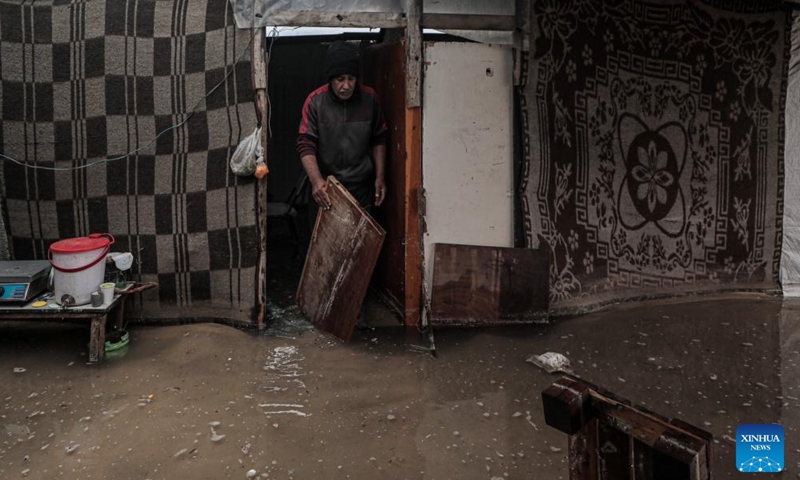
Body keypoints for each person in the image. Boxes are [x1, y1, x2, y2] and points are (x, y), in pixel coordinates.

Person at [296, 41, 388, 231]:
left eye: (351, 79)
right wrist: (316, 181)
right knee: (324, 247)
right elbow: (305, 143)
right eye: (340, 79)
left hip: (361, 188)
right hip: (326, 188)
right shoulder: (315, 102)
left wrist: (380, 177)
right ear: (330, 79)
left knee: (359, 246)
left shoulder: (370, 99)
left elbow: (379, 138)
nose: (346, 86)